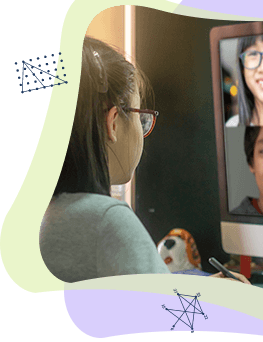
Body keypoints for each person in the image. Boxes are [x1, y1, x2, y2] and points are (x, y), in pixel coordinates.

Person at [39, 36, 250, 284]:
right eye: (140, 117)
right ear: (114, 123)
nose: (143, 131)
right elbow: (163, 317)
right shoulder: (108, 220)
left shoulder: (50, 214)